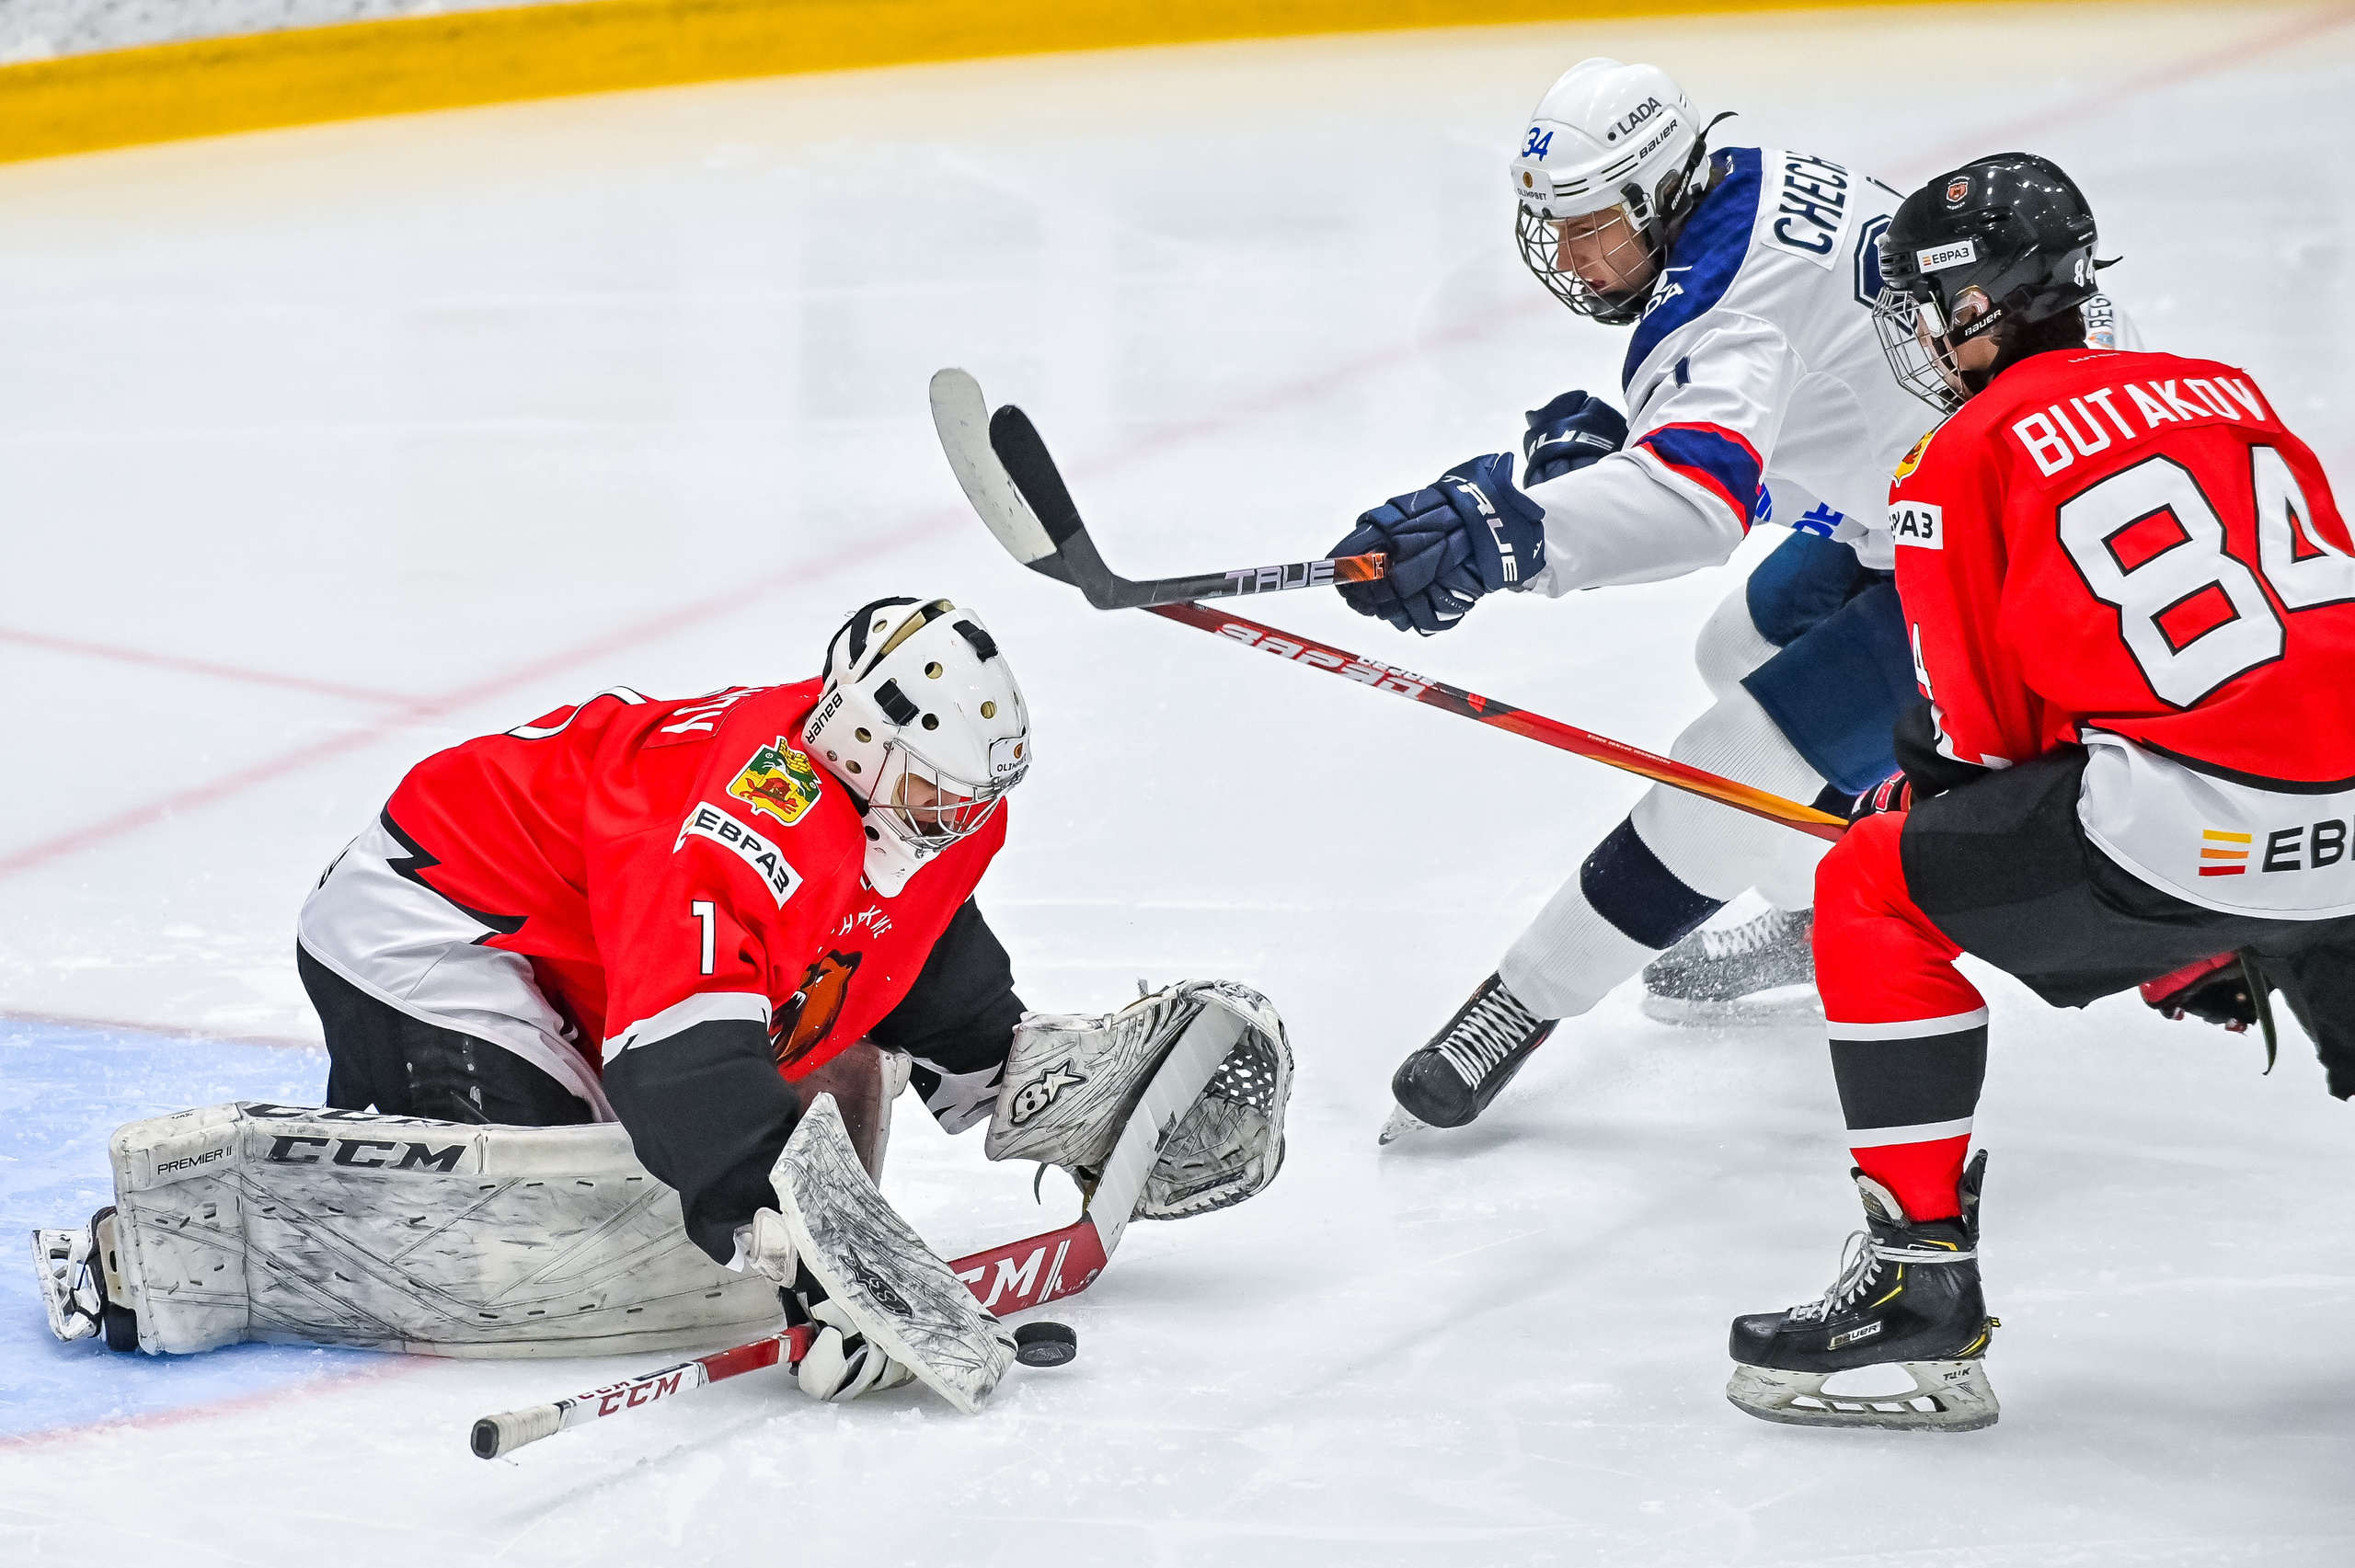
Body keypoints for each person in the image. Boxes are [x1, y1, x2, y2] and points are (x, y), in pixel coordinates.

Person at [35, 597, 1291, 1411]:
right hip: (437, 926)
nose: (962, 816)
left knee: (835, 1080)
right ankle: (173, 1251)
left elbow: (903, 945)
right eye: (938, 792)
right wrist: (801, 1249)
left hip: (580, 936)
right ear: (860, 748)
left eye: (974, 792)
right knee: (548, 1199)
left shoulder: (926, 802)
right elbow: (675, 1058)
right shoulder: (737, 823)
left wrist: (1009, 1067)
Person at [1326, 59, 2137, 1143]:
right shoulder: (1750, 184)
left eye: (1592, 226)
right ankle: (1815, 916)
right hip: (1941, 492)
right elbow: (1834, 408)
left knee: (1732, 760)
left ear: (1661, 190)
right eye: (1556, 228)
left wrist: (1517, 536)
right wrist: (1626, 454)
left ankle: (1517, 1005)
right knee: (1739, 643)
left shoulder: (1718, 303)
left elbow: (1695, 507)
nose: (1570, 256)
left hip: (1992, 551)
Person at [1724, 155, 2355, 1431]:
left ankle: (1919, 1285)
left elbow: (1991, 756)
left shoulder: (1952, 459)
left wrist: (1930, 815)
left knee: (1868, 883)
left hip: (2196, 840)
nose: (1910, 331)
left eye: (1920, 304)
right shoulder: (2230, 389)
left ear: (1972, 307)